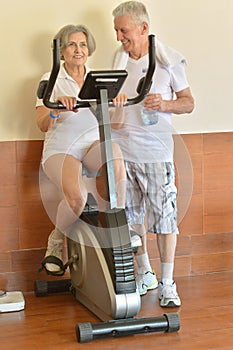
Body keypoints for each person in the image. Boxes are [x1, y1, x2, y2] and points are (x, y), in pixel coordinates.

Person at [111, 1, 195, 307]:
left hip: (156, 154)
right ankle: (145, 272)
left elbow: (188, 102)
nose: (119, 37)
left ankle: (167, 282)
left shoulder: (168, 61)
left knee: (164, 220)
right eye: (117, 30)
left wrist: (166, 105)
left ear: (143, 28)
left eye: (124, 30)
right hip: (124, 153)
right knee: (133, 219)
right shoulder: (118, 60)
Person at [36, 24, 127, 275]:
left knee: (114, 152)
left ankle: (120, 224)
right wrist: (56, 108)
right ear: (61, 51)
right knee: (78, 199)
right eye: (72, 44)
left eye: (83, 44)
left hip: (91, 146)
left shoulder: (98, 78)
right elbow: (42, 124)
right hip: (61, 149)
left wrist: (118, 103)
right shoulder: (51, 78)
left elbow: (115, 124)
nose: (78, 50)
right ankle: (55, 243)